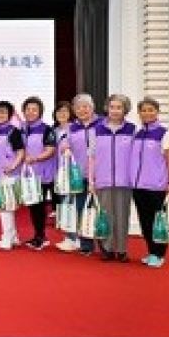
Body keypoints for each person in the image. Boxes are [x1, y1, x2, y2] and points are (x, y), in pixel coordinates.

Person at [130, 97, 169, 268]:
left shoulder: (164, 134)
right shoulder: (138, 134)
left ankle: (159, 254)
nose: (147, 113)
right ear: (139, 113)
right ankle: (151, 252)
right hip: (138, 186)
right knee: (145, 221)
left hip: (157, 186)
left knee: (158, 223)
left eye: (151, 110)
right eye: (143, 110)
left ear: (157, 112)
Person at [87, 94, 135, 262]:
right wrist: (91, 180)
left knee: (122, 215)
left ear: (125, 110)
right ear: (107, 108)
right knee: (105, 215)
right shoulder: (97, 130)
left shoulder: (132, 129)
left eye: (119, 107)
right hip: (103, 179)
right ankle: (106, 248)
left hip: (125, 181)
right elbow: (92, 157)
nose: (115, 111)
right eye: (112, 107)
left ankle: (121, 249)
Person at [56, 93, 102, 255]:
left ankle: (106, 246)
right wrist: (65, 147)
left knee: (102, 210)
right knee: (83, 209)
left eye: (85, 107)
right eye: (78, 108)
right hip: (80, 175)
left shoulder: (102, 124)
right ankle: (86, 245)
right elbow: (64, 141)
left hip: (101, 174)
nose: (82, 110)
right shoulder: (73, 127)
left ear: (92, 108)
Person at [21, 96, 56, 250]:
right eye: (28, 109)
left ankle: (41, 237)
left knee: (39, 206)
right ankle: (38, 235)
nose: (30, 112)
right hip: (29, 175)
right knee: (33, 205)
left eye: (34, 109)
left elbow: (50, 150)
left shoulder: (47, 129)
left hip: (43, 174)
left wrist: (35, 158)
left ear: (40, 112)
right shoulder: (22, 129)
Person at [0, 101, 25, 250]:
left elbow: (21, 152)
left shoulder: (14, 131)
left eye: (4, 112)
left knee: (5, 207)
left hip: (10, 175)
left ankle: (7, 238)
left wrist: (13, 166)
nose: (1, 115)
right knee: (6, 207)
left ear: (10, 115)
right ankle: (13, 236)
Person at [49, 101, 75, 215]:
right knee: (61, 197)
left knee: (71, 199)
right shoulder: (52, 130)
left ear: (70, 113)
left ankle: (70, 221)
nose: (62, 114)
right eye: (59, 111)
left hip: (71, 169)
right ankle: (63, 219)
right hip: (56, 169)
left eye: (65, 111)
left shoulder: (75, 128)